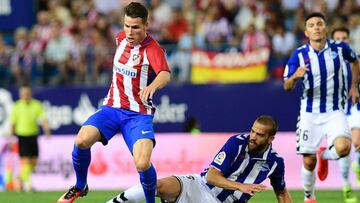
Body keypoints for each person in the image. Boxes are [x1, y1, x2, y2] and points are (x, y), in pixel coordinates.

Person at [57, 2, 171, 203]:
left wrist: (152, 86)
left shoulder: (152, 49)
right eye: (127, 25)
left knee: (142, 163)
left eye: (135, 27)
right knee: (81, 140)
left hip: (138, 115)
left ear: (146, 25)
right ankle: (80, 185)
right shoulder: (120, 39)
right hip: (111, 107)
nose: (129, 31)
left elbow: (164, 74)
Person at [107, 115, 293, 203]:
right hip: (200, 185)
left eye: (259, 135)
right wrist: (240, 186)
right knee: (159, 186)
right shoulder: (237, 142)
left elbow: (282, 193)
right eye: (252, 130)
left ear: (271, 139)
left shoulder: (275, 163)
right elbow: (212, 176)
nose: (253, 136)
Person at [283, 12, 360, 203]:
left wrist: (353, 87)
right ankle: (309, 196)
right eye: (311, 25)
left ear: (326, 29)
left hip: (335, 110)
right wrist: (295, 76)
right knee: (308, 161)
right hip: (309, 113)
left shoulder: (341, 48)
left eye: (319, 24)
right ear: (306, 32)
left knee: (344, 148)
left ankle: (324, 155)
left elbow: (356, 61)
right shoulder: (299, 55)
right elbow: (287, 86)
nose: (316, 27)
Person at [332, 27, 359, 203]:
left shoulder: (357, 61)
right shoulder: (326, 62)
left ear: (349, 40)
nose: (341, 41)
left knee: (356, 142)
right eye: (337, 38)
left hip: (355, 108)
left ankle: (357, 166)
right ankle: (346, 186)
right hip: (336, 111)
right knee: (343, 150)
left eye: (344, 38)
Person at [10, 84, 51, 192]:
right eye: (23, 93)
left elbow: (43, 119)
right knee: (26, 160)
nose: (25, 95)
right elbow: (12, 123)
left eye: (27, 93)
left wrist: (47, 130)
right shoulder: (17, 106)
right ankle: (28, 185)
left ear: (30, 93)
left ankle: (19, 178)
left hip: (33, 136)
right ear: (20, 94)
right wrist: (10, 138)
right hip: (22, 136)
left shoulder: (36, 105)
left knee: (34, 161)